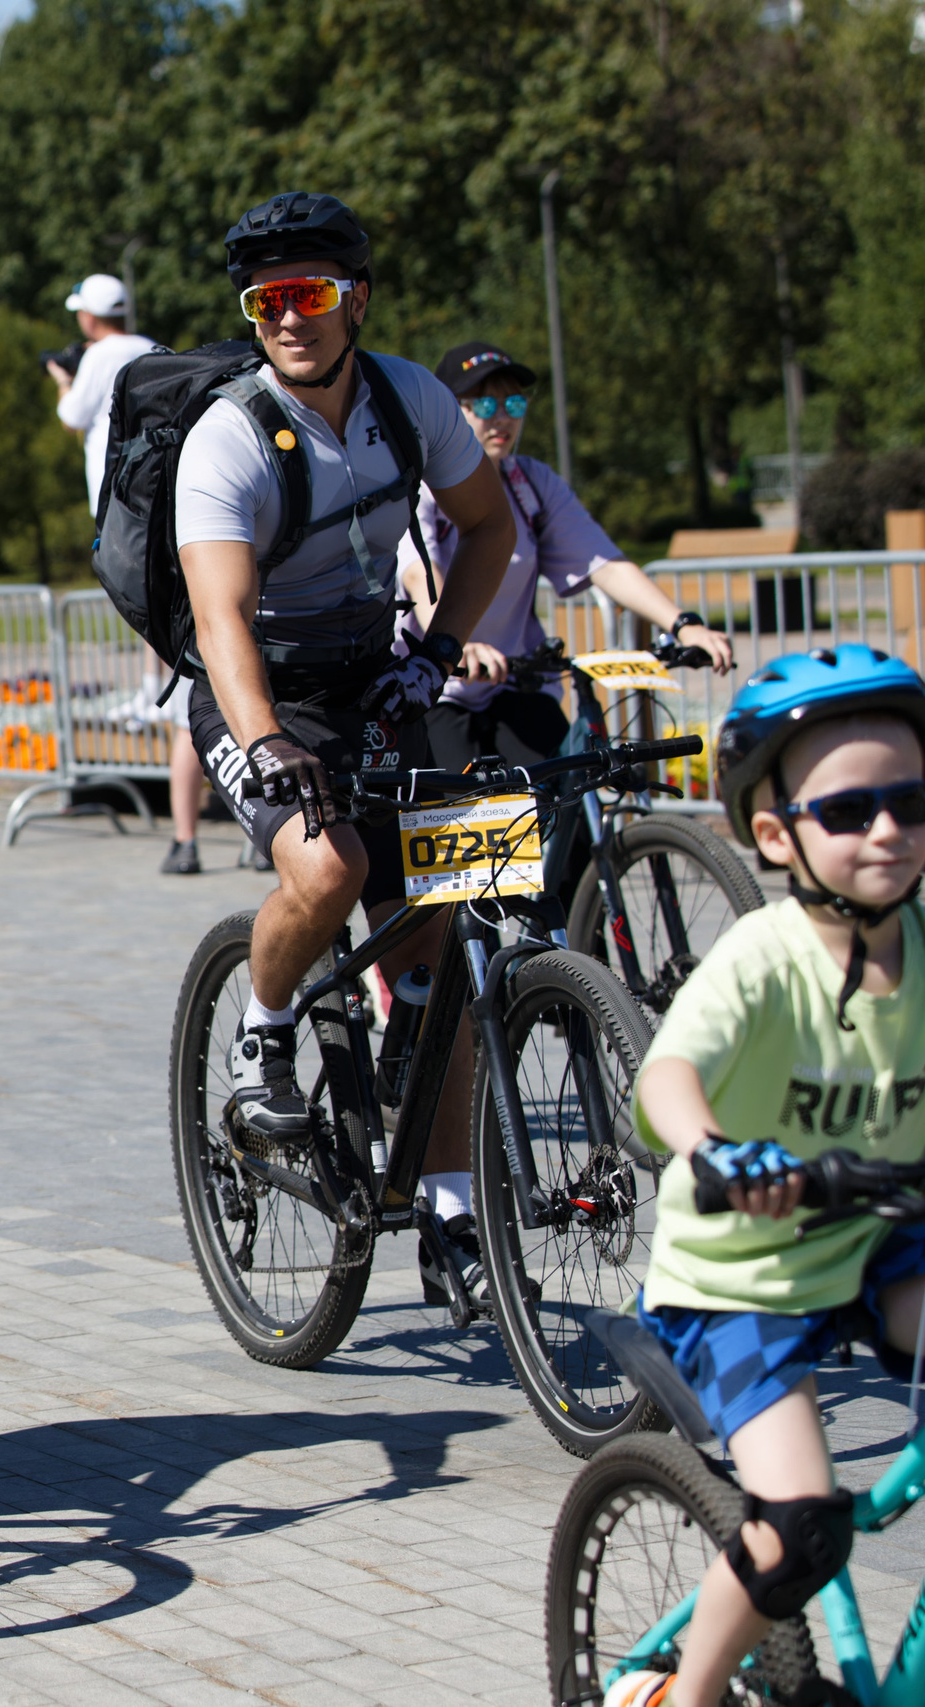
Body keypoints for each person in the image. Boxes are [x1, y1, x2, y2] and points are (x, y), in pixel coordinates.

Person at [174, 193, 515, 1283]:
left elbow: (490, 524)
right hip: (261, 690)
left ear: (353, 300)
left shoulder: (411, 399)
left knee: (442, 931)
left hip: (377, 676)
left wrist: (441, 645)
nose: (287, 316)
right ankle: (262, 1029)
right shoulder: (226, 436)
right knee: (330, 866)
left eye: (308, 294)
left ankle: (455, 1215)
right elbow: (220, 618)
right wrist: (267, 738)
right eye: (265, 300)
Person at [603, 646, 925, 1707]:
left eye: (911, 802)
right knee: (797, 1526)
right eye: (851, 812)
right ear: (777, 835)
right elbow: (670, 1075)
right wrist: (714, 1151)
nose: (887, 830)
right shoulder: (761, 957)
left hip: (880, 1238)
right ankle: (684, 1697)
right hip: (740, 1277)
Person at [398, 339, 735, 773]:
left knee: (571, 793)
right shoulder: (421, 487)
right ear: (447, 410)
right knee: (469, 824)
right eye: (484, 405)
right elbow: (419, 575)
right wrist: (452, 643)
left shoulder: (532, 483)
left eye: (514, 403)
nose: (502, 417)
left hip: (518, 684)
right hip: (438, 688)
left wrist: (684, 624)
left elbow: (605, 563)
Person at [50, 275, 203, 873]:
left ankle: (152, 695)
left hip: (119, 503)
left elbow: (71, 416)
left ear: (89, 318)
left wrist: (63, 377)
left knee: (133, 594)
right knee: (162, 594)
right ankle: (155, 691)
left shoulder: (98, 355)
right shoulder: (154, 348)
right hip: (164, 497)